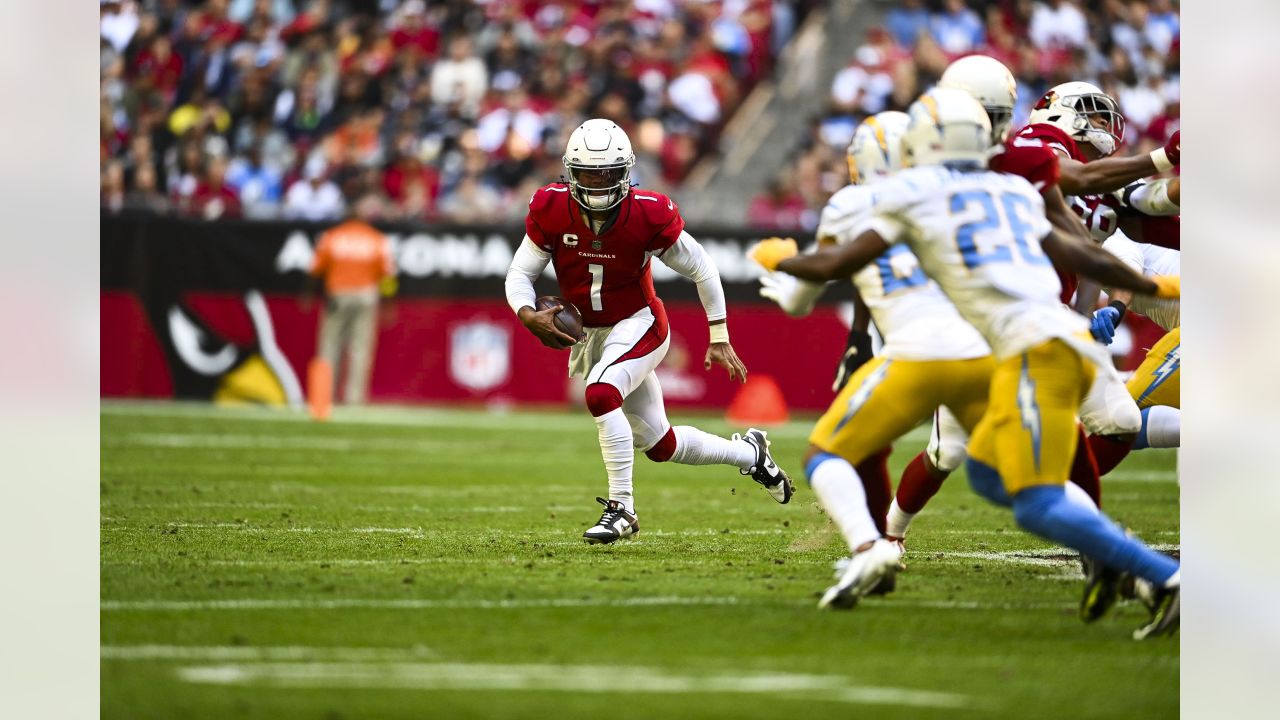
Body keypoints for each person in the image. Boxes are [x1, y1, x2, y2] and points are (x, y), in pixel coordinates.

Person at [750, 88, 1181, 639]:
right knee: (985, 470)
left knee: (1035, 499)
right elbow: (1082, 251)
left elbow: (841, 260)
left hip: (1027, 351)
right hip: (1060, 340)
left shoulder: (913, 193)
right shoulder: (1012, 189)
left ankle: (1158, 577)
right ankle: (1127, 565)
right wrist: (1149, 287)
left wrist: (780, 258)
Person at [504, 118, 792, 545]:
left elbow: (702, 267)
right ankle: (751, 454)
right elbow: (519, 274)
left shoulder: (648, 212)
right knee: (661, 444)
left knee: (601, 394)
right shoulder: (550, 207)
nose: (598, 185)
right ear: (569, 173)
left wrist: (719, 332)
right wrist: (526, 313)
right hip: (594, 334)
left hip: (640, 324)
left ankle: (622, 510)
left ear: (626, 173)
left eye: (608, 175)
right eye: (588, 174)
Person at [756, 110, 995, 606]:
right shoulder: (946, 193)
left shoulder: (851, 202)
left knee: (827, 451)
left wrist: (784, 269)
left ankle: (872, 545)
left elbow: (810, 293)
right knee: (1024, 476)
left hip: (915, 348)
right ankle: (1127, 563)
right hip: (979, 345)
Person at [306, 194, 395, 407]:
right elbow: (387, 276)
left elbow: (315, 271)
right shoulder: (376, 238)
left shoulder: (333, 236)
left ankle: (324, 396)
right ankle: (354, 399)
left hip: (338, 295)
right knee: (360, 349)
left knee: (329, 347)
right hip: (366, 295)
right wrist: (389, 303)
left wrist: (308, 295)